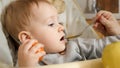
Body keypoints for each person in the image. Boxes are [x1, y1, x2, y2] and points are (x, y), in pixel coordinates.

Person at [1, 0, 120, 67]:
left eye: (59, 22)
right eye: (51, 24)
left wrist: (115, 34)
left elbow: (109, 48)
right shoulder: (27, 61)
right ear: (27, 37)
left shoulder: (76, 46)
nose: (61, 27)